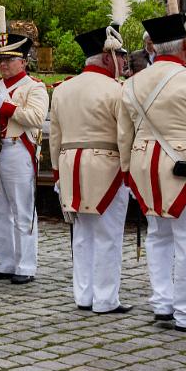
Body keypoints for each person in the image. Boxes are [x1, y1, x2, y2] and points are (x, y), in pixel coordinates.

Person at [121, 13, 186, 331]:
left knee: (158, 237)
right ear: (184, 49)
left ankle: (163, 303)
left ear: (154, 48)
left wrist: (125, 170)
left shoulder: (131, 82)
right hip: (184, 168)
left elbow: (124, 135)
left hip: (144, 167)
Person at [50, 25, 133, 315]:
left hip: (71, 165)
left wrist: (58, 174)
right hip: (107, 164)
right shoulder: (117, 90)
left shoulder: (62, 89)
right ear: (107, 56)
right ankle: (106, 299)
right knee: (108, 235)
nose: (123, 62)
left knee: (83, 235)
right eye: (120, 56)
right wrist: (129, 170)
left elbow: (55, 139)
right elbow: (125, 136)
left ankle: (84, 295)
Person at [0, 33, 50, 285]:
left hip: (16, 148)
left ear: (23, 62)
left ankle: (26, 265)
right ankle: (4, 262)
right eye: (1, 59)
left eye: (10, 60)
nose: (4, 64)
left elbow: (35, 118)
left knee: (22, 211)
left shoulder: (34, 87)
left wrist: (7, 106)